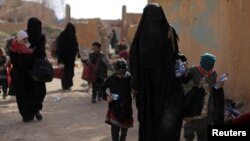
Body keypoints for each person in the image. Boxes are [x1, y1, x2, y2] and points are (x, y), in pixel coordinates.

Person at [129, 3, 184, 141]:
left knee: (149, 117)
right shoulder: (168, 31)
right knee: (166, 116)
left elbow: (133, 60)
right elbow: (175, 54)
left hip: (147, 85)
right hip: (166, 84)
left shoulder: (140, 35)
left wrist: (135, 83)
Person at [9, 17, 47, 122]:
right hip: (32, 72)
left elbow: (13, 54)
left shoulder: (25, 36)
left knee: (27, 94)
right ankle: (31, 113)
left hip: (26, 73)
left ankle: (31, 113)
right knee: (35, 92)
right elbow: (40, 54)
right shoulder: (24, 37)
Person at [182, 52, 225, 141]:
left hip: (207, 110)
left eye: (208, 70)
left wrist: (219, 85)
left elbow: (214, 89)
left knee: (203, 135)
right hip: (192, 109)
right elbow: (184, 83)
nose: (206, 72)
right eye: (203, 69)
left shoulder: (213, 75)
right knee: (188, 133)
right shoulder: (193, 71)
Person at [99, 59, 133, 141]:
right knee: (115, 132)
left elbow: (136, 87)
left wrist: (135, 91)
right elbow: (101, 89)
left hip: (126, 108)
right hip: (114, 108)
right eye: (118, 70)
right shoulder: (111, 79)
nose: (120, 72)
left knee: (124, 133)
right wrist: (106, 96)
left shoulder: (130, 78)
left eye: (122, 70)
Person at [56, 22, 79, 90]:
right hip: (66, 58)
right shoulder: (65, 36)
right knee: (65, 72)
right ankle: (66, 85)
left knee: (69, 72)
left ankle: (67, 85)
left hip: (68, 58)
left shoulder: (68, 35)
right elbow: (60, 47)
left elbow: (75, 45)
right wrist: (59, 58)